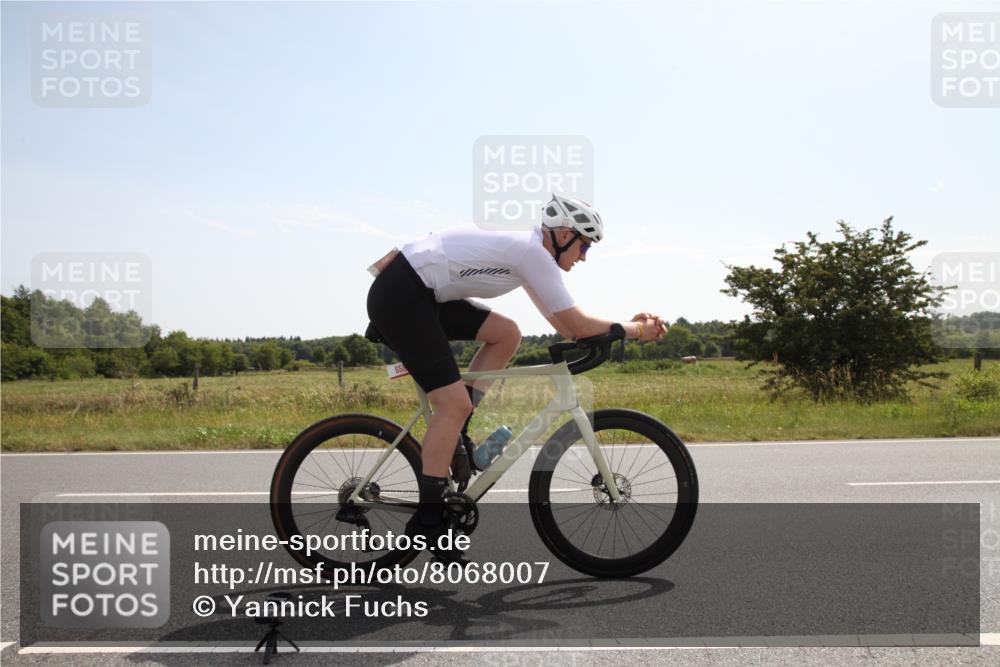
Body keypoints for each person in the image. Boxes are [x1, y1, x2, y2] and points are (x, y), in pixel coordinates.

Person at [364, 194, 667, 551]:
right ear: (565, 233)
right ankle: (428, 521)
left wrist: (622, 328)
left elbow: (568, 328)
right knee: (452, 405)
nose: (584, 257)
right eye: (584, 246)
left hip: (418, 293)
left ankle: (458, 433)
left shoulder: (530, 256)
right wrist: (633, 329)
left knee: (506, 335)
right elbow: (577, 323)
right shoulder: (532, 253)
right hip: (402, 295)